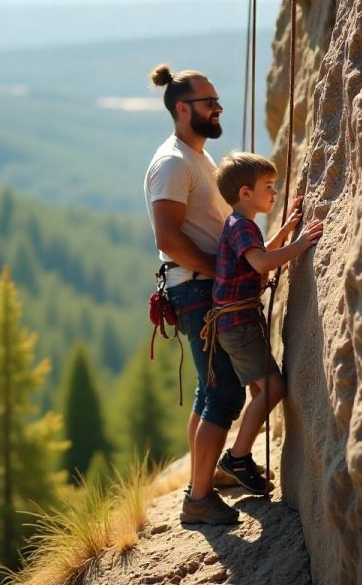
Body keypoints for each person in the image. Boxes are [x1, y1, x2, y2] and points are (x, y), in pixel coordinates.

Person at [144, 64, 248, 525]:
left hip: (201, 286)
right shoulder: (172, 163)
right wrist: (221, 272)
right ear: (182, 109)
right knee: (225, 394)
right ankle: (199, 499)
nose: (218, 107)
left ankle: (205, 478)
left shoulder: (196, 156)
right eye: (209, 102)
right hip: (199, 289)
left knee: (210, 393)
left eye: (216, 99)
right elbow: (169, 238)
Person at [207, 151, 323, 493]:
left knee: (263, 390)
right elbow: (260, 264)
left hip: (236, 322)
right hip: (239, 324)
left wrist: (286, 231)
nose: (274, 192)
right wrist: (300, 244)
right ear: (246, 193)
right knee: (272, 388)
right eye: (268, 186)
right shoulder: (242, 226)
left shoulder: (241, 225)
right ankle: (237, 458)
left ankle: (239, 459)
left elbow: (256, 257)